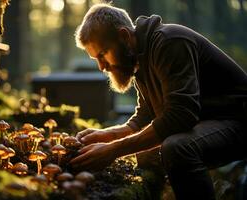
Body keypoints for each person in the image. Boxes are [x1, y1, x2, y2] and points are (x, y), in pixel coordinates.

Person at [70, 3, 247, 200]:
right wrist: (107, 135)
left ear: (124, 36)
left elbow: (180, 116)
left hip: (238, 120)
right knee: (147, 155)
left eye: (102, 54)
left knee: (177, 147)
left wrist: (112, 151)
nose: (102, 67)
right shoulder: (138, 59)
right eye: (96, 59)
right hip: (209, 123)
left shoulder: (169, 42)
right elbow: (145, 117)